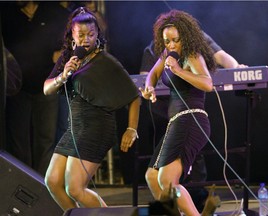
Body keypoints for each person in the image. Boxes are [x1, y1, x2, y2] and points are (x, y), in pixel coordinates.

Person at [43, 7, 140, 211]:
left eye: (91, 34)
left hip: (96, 127)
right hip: (75, 127)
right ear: (72, 36)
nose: (86, 39)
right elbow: (47, 89)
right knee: (52, 181)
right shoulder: (69, 58)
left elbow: (134, 96)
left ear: (98, 34)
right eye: (81, 35)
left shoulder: (106, 62)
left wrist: (131, 129)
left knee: (75, 188)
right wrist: (64, 75)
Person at [139, 9, 217, 215]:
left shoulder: (192, 55)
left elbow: (208, 83)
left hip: (191, 119)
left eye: (175, 40)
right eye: (167, 41)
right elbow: (152, 75)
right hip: (177, 121)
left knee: (167, 180)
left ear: (186, 37)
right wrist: (149, 88)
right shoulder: (167, 55)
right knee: (152, 178)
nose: (171, 45)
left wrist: (178, 70)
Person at [1, 1, 69, 176]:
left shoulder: (54, 12)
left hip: (47, 87)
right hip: (17, 90)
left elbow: (71, 40)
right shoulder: (7, 14)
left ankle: (42, 184)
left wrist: (63, 53)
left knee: (45, 140)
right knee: (18, 142)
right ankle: (23, 182)